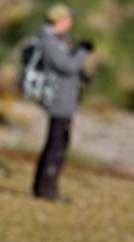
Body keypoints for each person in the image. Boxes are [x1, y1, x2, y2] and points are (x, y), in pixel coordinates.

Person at [32, 3, 94, 202]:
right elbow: (66, 66)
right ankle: (47, 189)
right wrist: (82, 52)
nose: (71, 22)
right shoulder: (49, 42)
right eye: (68, 19)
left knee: (59, 143)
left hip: (66, 99)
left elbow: (67, 67)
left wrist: (81, 74)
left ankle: (43, 186)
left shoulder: (59, 40)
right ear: (59, 21)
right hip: (59, 101)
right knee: (56, 145)